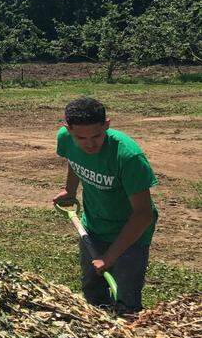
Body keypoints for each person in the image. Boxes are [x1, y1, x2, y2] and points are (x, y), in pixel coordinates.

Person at [53, 97, 158, 315]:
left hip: (130, 234)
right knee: (92, 292)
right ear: (68, 130)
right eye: (81, 137)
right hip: (93, 226)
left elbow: (143, 214)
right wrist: (70, 190)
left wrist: (109, 257)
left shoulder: (128, 157)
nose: (90, 144)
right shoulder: (65, 139)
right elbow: (74, 160)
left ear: (107, 125)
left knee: (125, 298)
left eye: (97, 136)